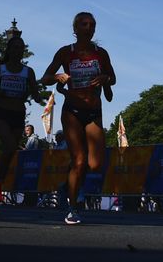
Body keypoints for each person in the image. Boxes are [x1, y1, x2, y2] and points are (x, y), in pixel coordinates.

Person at [41, 12, 115, 225]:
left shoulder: (101, 53)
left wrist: (105, 78)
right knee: (80, 160)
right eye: (84, 24)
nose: (89, 27)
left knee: (94, 164)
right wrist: (57, 77)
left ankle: (70, 184)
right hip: (72, 111)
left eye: (92, 25)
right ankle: (73, 208)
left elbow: (113, 77)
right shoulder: (66, 52)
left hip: (94, 112)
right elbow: (45, 78)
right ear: (75, 28)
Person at [0, 36, 44, 214]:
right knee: (9, 146)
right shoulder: (1, 69)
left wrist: (39, 98)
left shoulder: (28, 72)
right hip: (1, 113)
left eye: (21, 47)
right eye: (15, 47)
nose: (18, 50)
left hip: (18, 114)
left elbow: (35, 92)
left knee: (10, 152)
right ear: (9, 49)